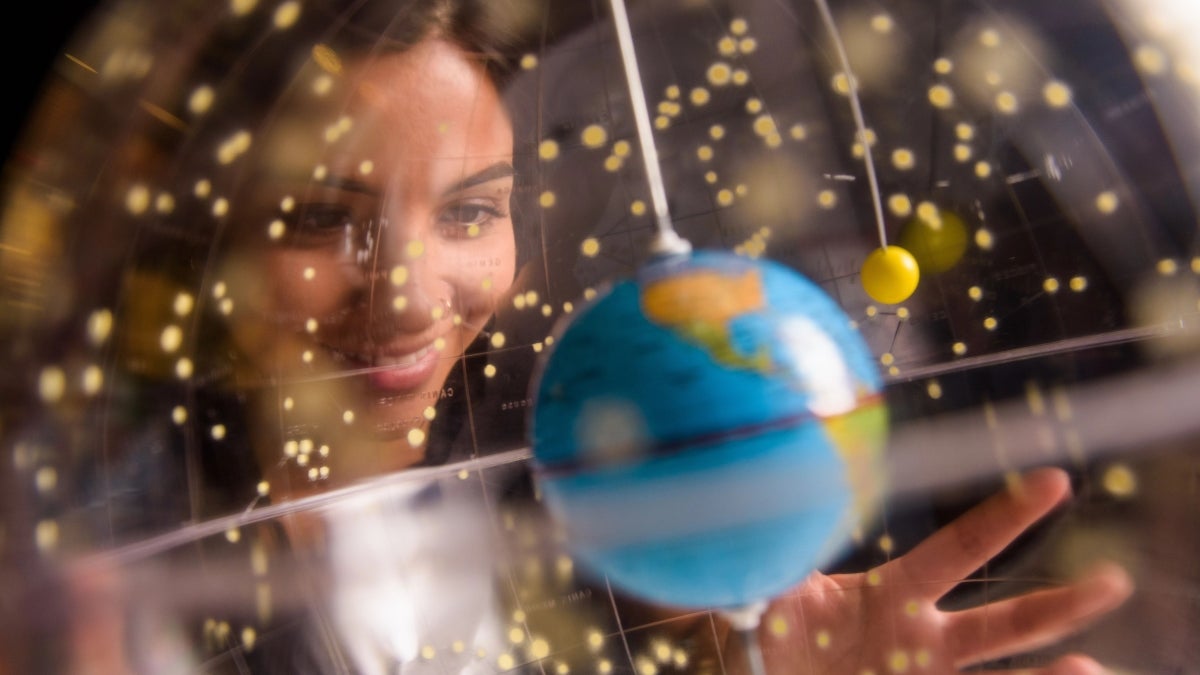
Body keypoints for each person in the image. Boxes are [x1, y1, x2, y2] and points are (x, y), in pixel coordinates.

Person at [34, 0, 1133, 672]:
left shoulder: (588, 488)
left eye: (470, 211)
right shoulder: (94, 584)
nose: (416, 300)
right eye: (321, 219)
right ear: (196, 236)